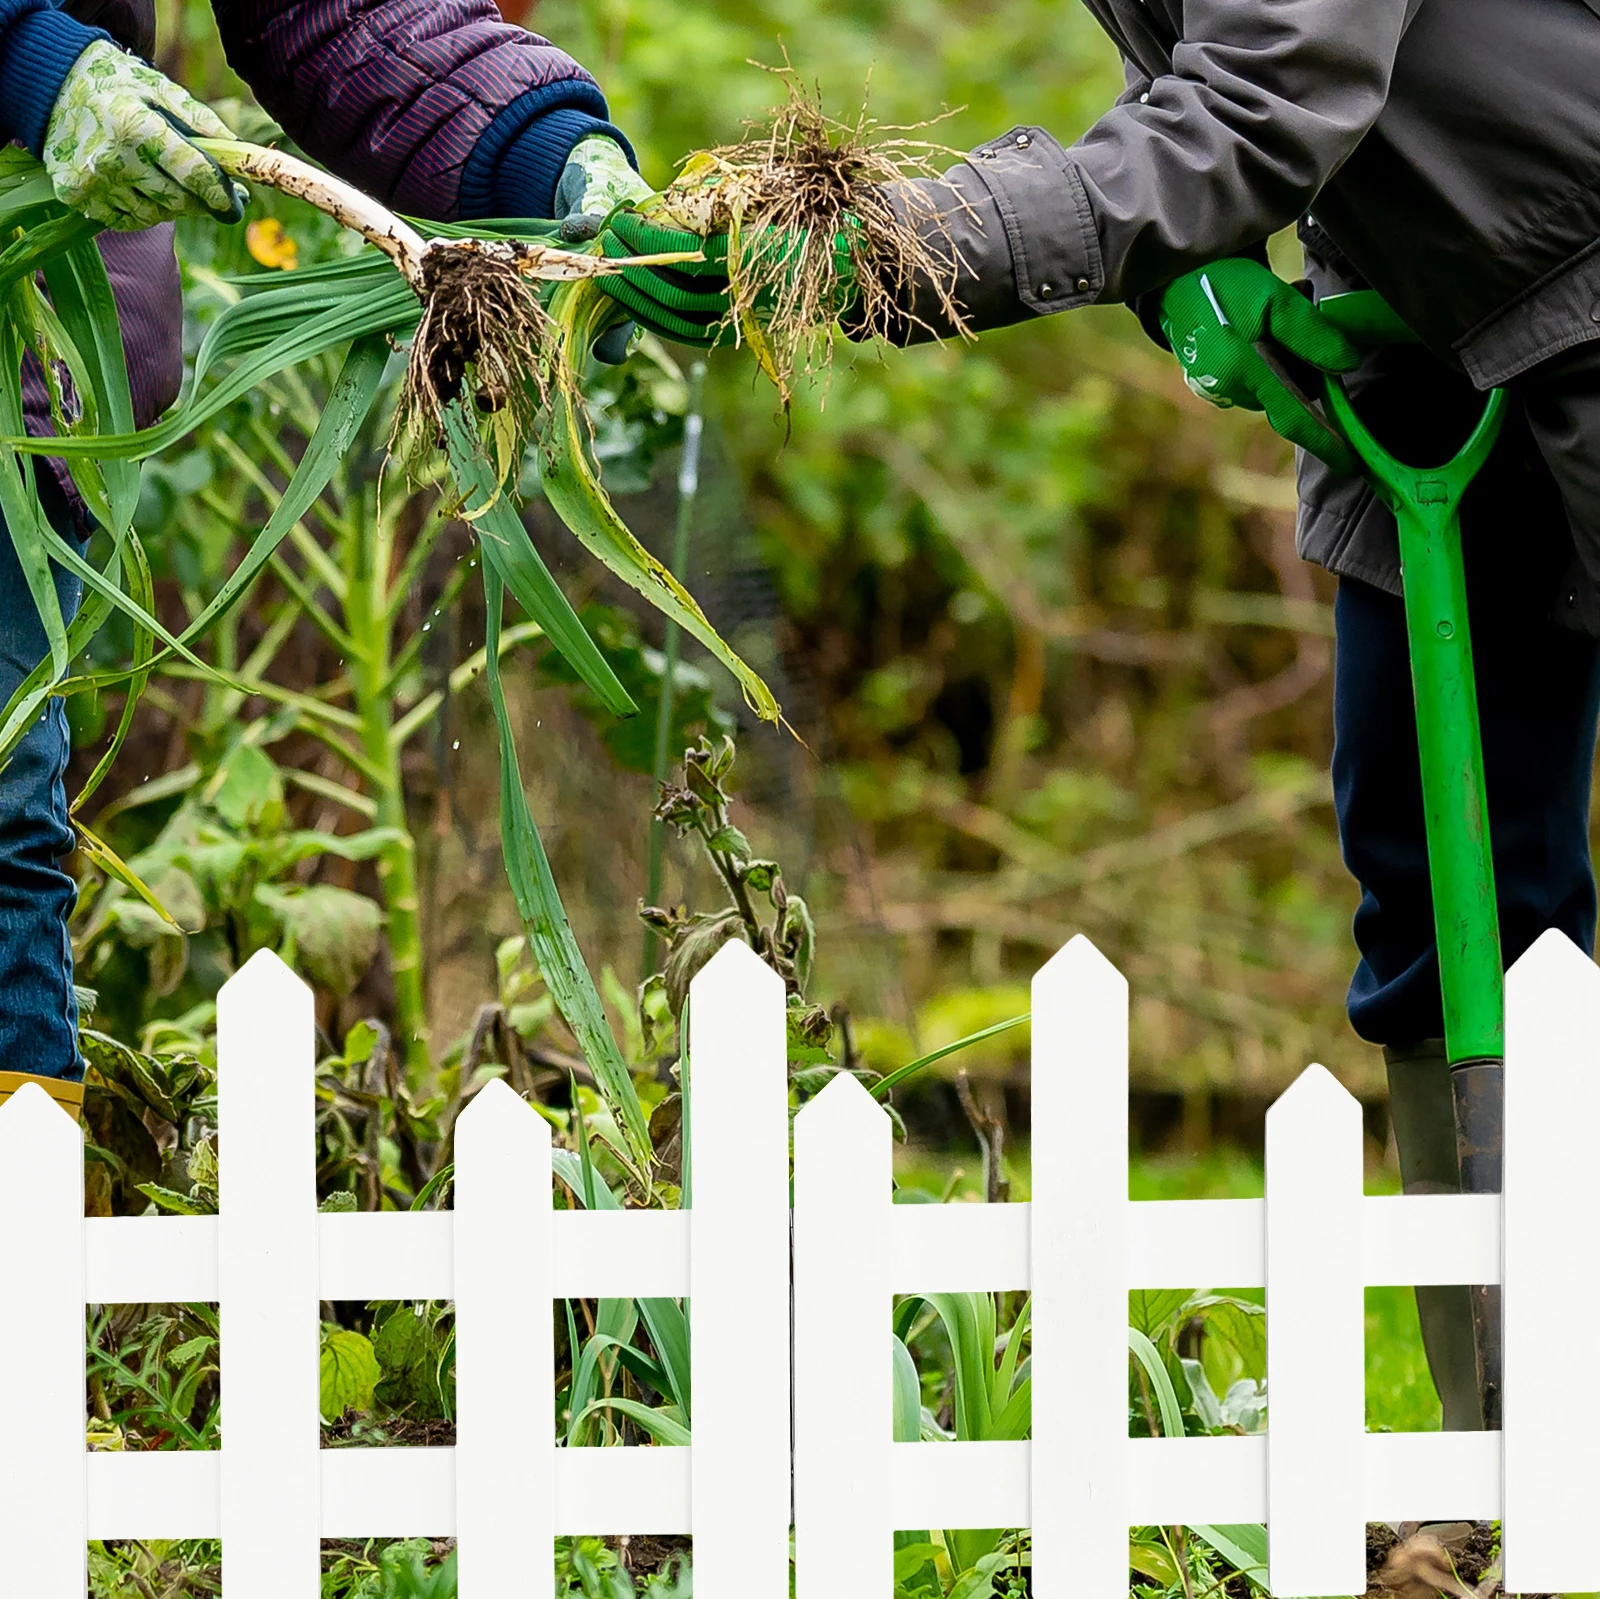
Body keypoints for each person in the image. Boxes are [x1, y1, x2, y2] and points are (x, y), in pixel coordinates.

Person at [599, 0, 1600, 1431]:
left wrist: (900, 243)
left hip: (1582, 261)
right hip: (1428, 329)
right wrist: (1183, 278)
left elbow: (1261, 107)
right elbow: (1184, 96)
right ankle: (1511, 1446)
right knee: (1438, 883)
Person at [0, 0, 658, 1094]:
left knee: (6, 808)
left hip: (33, 346)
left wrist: (549, 153)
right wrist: (26, 49)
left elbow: (333, 12)